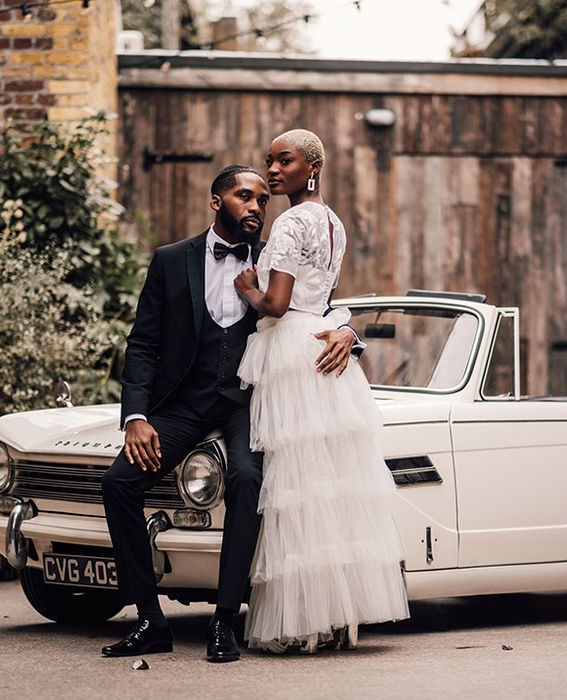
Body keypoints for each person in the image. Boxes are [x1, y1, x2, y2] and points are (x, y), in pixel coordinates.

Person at [101, 164, 360, 663]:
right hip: (184, 402)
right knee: (118, 485)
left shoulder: (273, 257)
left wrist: (351, 334)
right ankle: (150, 621)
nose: (257, 207)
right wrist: (136, 417)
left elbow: (321, 304)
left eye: (264, 199)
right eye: (245, 196)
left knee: (247, 478)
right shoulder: (171, 260)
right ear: (217, 201)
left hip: (248, 400)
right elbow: (143, 344)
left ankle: (224, 620)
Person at [234, 129, 410, 653]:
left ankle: (298, 619)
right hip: (320, 349)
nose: (271, 169)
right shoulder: (333, 222)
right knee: (326, 483)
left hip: (290, 349)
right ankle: (333, 617)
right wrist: (345, 327)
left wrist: (249, 290)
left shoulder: (289, 220)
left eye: (283, 160)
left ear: (310, 167)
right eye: (268, 160)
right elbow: (325, 299)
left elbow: (279, 304)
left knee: (296, 485)